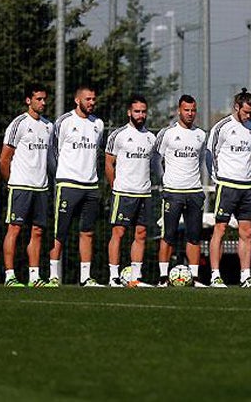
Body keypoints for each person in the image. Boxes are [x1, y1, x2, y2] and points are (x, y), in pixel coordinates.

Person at [47, 85, 105, 287]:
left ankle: (85, 277)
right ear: (77, 100)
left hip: (90, 185)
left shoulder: (98, 123)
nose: (91, 103)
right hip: (68, 184)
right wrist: (61, 176)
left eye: (93, 99)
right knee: (60, 231)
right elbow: (53, 151)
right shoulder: (64, 121)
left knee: (87, 231)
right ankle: (53, 277)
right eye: (88, 99)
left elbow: (97, 153)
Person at [205, 88, 251, 288]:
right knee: (220, 229)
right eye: (245, 111)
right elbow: (210, 152)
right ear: (236, 107)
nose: (248, 115)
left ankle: (246, 276)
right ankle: (215, 275)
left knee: (246, 232)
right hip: (227, 185)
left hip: (248, 186)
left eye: (250, 113)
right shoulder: (222, 127)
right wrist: (216, 178)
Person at [0, 84, 54, 287]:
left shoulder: (49, 126)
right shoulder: (18, 124)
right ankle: (10, 276)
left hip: (41, 187)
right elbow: (4, 159)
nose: (43, 103)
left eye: (44, 99)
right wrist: (11, 182)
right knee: (14, 229)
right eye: (39, 99)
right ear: (28, 100)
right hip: (21, 186)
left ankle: (34, 277)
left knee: (38, 231)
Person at [153, 95, 208, 288]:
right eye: (186, 110)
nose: (190, 114)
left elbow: (203, 160)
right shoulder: (167, 133)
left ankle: (195, 277)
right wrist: (163, 181)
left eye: (193, 110)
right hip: (173, 192)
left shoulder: (201, 135)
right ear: (179, 110)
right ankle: (162, 277)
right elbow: (156, 160)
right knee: (168, 235)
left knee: (194, 236)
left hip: (194, 191)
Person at [105, 95, 157, 287]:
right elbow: (109, 164)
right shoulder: (118, 135)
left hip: (144, 192)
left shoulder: (151, 138)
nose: (141, 115)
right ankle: (113, 277)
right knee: (118, 233)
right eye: (137, 111)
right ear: (129, 112)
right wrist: (115, 187)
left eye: (143, 111)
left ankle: (136, 278)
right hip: (123, 192)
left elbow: (153, 165)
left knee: (141, 234)